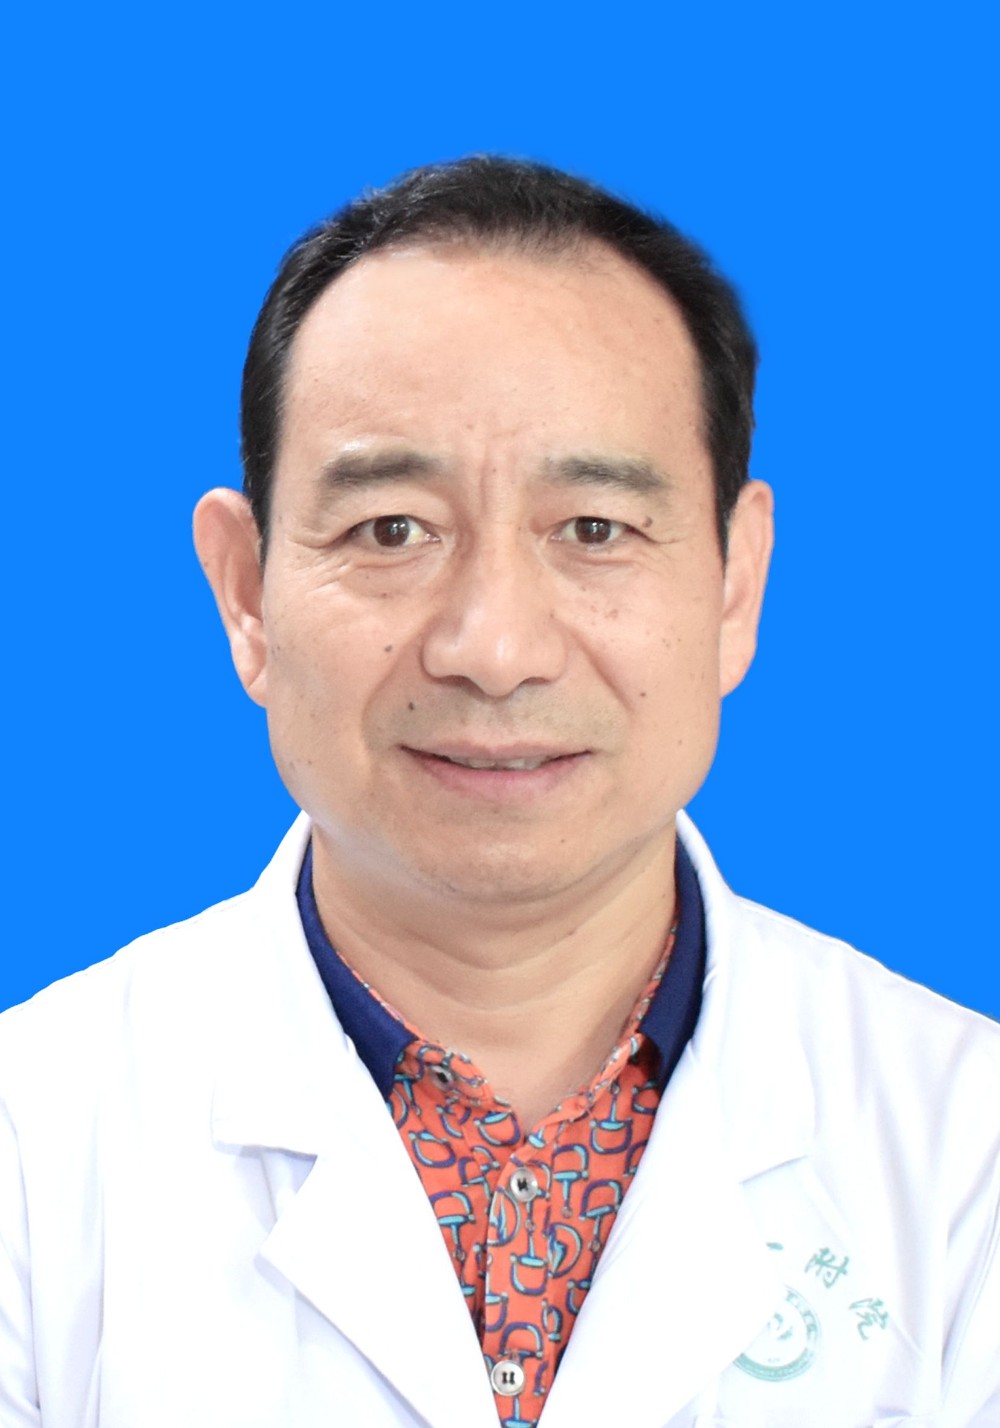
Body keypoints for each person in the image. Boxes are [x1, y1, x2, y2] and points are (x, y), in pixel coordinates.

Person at [1, 157, 997, 1428]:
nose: (494, 647)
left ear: (733, 585)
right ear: (245, 594)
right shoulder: (30, 1147)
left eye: (593, 529)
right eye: (391, 531)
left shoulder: (967, 1153)